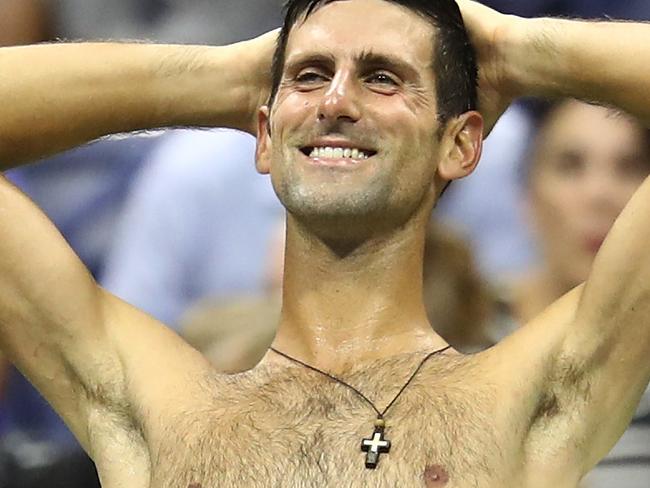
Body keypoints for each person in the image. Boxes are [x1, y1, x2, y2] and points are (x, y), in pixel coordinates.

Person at [0, 1, 649, 486]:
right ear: (263, 135)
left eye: (383, 78)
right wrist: (228, 77)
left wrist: (514, 48)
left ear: (460, 144)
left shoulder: (533, 391)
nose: (336, 100)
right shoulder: (158, 405)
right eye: (310, 75)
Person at [506, 99, 650, 487]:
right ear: (527, 197)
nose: (600, 194)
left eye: (629, 166)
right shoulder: (460, 333)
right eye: (570, 165)